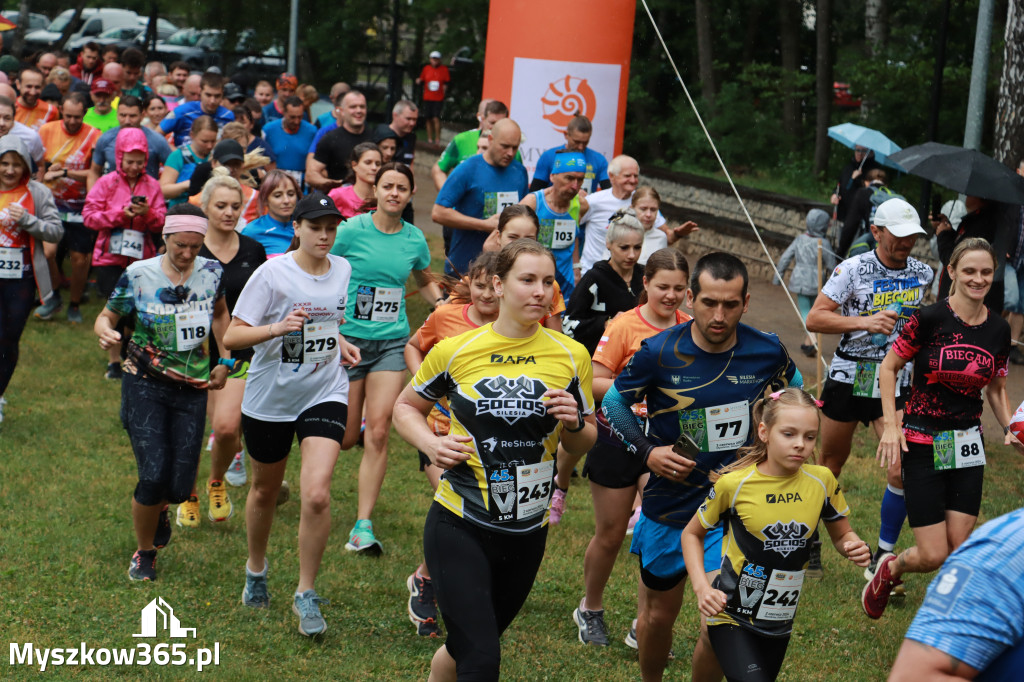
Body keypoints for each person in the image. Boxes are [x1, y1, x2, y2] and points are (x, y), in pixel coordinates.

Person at [393, 238, 597, 681]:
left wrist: (576, 426)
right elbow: (405, 408)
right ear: (499, 285)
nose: (540, 291)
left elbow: (584, 442)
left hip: (526, 531)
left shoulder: (570, 355)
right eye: (527, 280)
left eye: (548, 282)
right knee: (482, 659)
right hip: (459, 521)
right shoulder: (457, 350)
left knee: (466, 645)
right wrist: (430, 444)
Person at [602, 252, 800, 682]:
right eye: (709, 302)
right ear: (690, 298)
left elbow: (793, 395)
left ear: (746, 302)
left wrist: (776, 433)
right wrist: (647, 452)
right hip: (671, 501)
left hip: (734, 506)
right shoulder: (659, 351)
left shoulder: (766, 350)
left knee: (721, 618)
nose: (719, 314)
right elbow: (614, 402)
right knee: (657, 618)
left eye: (730, 304)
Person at [223, 192, 360, 636]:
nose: (324, 235)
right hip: (271, 398)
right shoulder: (272, 273)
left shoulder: (342, 269)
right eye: (316, 227)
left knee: (317, 494)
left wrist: (339, 342)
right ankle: (256, 570)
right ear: (296, 228)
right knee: (264, 491)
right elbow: (233, 337)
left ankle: (305, 592)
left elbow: (328, 320)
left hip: (324, 388)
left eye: (331, 227)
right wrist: (277, 329)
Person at [864, 237, 1020, 619]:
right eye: (969, 271)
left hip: (967, 442)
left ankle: (947, 615)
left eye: (986, 272)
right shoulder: (929, 319)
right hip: (921, 440)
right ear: (952, 272)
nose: (978, 279)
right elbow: (888, 368)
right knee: (933, 554)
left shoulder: (999, 330)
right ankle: (890, 568)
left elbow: (997, 387)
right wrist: (890, 426)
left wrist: (1008, 427)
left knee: (958, 546)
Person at [682, 388, 870, 681]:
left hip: (779, 620)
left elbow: (842, 534)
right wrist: (702, 589)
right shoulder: (735, 485)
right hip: (730, 613)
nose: (800, 445)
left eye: (809, 437)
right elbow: (691, 534)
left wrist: (852, 545)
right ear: (764, 432)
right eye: (789, 434)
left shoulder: (821, 481)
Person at [93, 205, 231, 582]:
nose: (187, 253)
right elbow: (107, 315)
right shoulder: (138, 275)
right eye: (180, 245)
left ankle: (162, 508)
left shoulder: (213, 272)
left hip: (193, 386)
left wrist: (227, 358)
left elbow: (220, 315)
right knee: (153, 475)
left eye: (195, 246)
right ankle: (145, 553)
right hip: (144, 381)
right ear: (165, 239)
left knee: (180, 484)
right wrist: (105, 331)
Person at [806, 198, 933, 580]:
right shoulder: (852, 269)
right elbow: (815, 317)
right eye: (898, 235)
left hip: (895, 379)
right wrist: (865, 320)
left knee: (902, 469)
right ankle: (809, 540)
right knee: (830, 465)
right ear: (876, 231)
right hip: (849, 377)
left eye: (912, 236)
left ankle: (882, 556)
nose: (906, 242)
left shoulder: (924, 272)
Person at [571, 248, 691, 647]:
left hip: (665, 444)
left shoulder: (692, 327)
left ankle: (647, 624)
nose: (670, 296)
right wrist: (642, 389)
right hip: (618, 436)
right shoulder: (624, 325)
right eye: (662, 287)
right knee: (609, 534)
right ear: (646, 284)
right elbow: (596, 379)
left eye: (678, 288)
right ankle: (590, 607)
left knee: (657, 530)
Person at [330, 162, 442, 554]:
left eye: (401, 188)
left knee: (378, 431)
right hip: (348, 342)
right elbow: (321, 266)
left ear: (411, 194)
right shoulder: (349, 231)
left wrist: (443, 306)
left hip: (391, 344)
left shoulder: (414, 239)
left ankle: (363, 524)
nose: (394, 193)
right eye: (387, 186)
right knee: (344, 437)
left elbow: (424, 279)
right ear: (374, 190)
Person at [402, 250, 500, 638]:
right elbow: (413, 346)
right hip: (440, 433)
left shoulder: (520, 328)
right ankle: (429, 584)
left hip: (492, 441)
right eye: (479, 286)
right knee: (455, 508)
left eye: (494, 287)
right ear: (469, 285)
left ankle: (429, 575)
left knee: (485, 517)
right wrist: (427, 385)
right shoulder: (445, 317)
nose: (487, 296)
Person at [181, 174, 267, 525]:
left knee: (228, 427)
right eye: (221, 206)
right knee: (188, 430)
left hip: (238, 351)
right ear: (205, 208)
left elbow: (267, 299)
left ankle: (216, 481)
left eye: (235, 206)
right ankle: (186, 491)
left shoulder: (252, 250)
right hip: (191, 350)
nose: (229, 212)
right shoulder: (189, 248)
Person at [888, 506, 1024, 680]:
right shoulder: (1005, 555)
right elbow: (912, 677)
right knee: (933, 554)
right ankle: (890, 566)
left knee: (954, 544)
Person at [83, 126, 167, 379]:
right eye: (129, 161)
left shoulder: (152, 185)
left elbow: (162, 220)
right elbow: (89, 217)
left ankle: (131, 349)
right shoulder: (106, 183)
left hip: (143, 258)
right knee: (115, 308)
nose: (134, 167)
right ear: (119, 157)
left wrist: (147, 214)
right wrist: (119, 215)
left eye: (139, 162)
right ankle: (113, 362)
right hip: (110, 257)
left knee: (138, 311)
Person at [0, 135, 62, 424]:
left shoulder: (36, 192)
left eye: (16, 164)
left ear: (25, 165)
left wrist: (28, 221)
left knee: (9, 340)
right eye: (4, 164)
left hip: (21, 280)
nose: (10, 170)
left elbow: (55, 232)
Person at [34, 92, 101, 323]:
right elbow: (38, 164)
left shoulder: (94, 135)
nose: (73, 121)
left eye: (78, 117)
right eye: (69, 116)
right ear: (61, 110)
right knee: (48, 253)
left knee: (79, 259)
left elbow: (95, 173)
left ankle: (74, 304)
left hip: (80, 205)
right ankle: (53, 296)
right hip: (51, 203)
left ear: (85, 114)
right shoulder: (46, 130)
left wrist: (64, 172)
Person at [432, 118, 529, 276]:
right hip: (465, 267)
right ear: (490, 140)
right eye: (504, 146)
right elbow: (438, 212)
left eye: (515, 147)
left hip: (503, 269)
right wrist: (484, 224)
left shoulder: (519, 172)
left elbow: (523, 214)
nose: (510, 153)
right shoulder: (467, 169)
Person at [562, 207, 645, 355]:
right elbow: (568, 324)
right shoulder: (594, 278)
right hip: (597, 358)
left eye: (637, 248)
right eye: (624, 248)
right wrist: (606, 323)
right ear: (608, 243)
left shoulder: (645, 276)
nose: (632, 255)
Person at [579, 157, 669, 275]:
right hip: (593, 271)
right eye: (627, 176)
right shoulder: (593, 201)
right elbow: (574, 229)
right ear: (611, 176)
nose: (632, 180)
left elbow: (664, 235)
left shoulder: (642, 200)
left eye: (635, 176)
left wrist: (678, 233)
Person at [520, 150, 590, 298]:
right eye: (569, 178)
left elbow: (574, 235)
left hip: (565, 280)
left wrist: (576, 268)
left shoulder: (581, 205)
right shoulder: (532, 203)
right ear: (552, 176)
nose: (575, 186)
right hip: (534, 278)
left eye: (580, 180)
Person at [935, 196, 1018, 314]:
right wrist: (948, 232)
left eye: (970, 194)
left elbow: (956, 260)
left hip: (967, 303)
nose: (966, 196)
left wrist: (943, 235)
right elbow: (961, 246)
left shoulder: (984, 222)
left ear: (980, 196)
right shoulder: (984, 218)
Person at [772, 208, 836, 356]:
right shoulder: (824, 243)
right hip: (818, 282)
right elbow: (832, 266)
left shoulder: (799, 239)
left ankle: (813, 341)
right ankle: (808, 343)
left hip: (800, 281)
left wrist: (778, 276)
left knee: (806, 312)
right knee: (815, 311)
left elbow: (785, 258)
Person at [87, 96, 173, 187]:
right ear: (117, 115)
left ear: (142, 115)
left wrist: (156, 190)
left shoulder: (157, 140)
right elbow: (94, 172)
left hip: (146, 197)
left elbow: (173, 169)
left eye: (132, 116)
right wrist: (92, 199)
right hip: (114, 196)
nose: (127, 121)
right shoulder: (106, 138)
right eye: (123, 115)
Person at [430, 99, 510, 192]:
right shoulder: (462, 140)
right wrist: (448, 197)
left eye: (500, 124)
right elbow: (438, 169)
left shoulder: (511, 150)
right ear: (482, 119)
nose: (496, 128)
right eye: (492, 123)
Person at [306, 90, 370, 192]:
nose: (358, 110)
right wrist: (333, 186)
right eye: (353, 107)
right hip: (339, 203)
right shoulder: (330, 138)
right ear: (342, 111)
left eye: (362, 107)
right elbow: (310, 175)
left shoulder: (375, 137)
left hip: (369, 202)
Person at [531, 115, 611, 196]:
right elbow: (535, 193)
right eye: (576, 142)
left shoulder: (599, 160)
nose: (581, 147)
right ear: (566, 134)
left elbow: (609, 193)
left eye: (585, 142)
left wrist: (589, 198)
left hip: (585, 207)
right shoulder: (549, 157)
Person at [187, 139, 260, 226]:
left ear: (243, 165)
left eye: (236, 164)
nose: (231, 169)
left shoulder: (256, 197)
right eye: (226, 164)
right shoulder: (197, 201)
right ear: (213, 163)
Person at [838, 168, 901, 258]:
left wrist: (840, 252)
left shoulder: (863, 193)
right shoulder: (893, 197)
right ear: (886, 185)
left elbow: (850, 226)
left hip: (869, 246)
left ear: (866, 182)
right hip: (891, 250)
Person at [160, 72, 233, 148]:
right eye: (208, 95)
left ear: (222, 95)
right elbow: (156, 135)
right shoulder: (183, 111)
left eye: (217, 96)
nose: (212, 101)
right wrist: (176, 154)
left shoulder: (228, 116)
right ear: (200, 92)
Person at [160, 116, 218, 207]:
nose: (209, 146)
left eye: (213, 141)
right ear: (192, 135)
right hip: (180, 211)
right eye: (204, 141)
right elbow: (163, 190)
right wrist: (190, 184)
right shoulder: (178, 156)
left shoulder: (216, 157)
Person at [240, 170, 299, 256]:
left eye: (291, 194)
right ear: (265, 200)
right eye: (277, 195)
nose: (286, 200)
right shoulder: (252, 231)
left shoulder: (306, 227)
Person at [262, 95, 316, 187]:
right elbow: (263, 160)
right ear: (284, 112)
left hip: (302, 185)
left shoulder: (312, 131)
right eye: (292, 117)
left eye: (300, 117)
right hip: (276, 182)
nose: (296, 121)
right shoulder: (268, 130)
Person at [327, 141, 380, 219]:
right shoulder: (337, 195)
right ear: (354, 165)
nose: (374, 168)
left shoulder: (384, 197)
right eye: (368, 162)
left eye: (378, 164)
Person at [830, 145, 879, 223]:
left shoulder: (874, 172)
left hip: (859, 218)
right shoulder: (848, 167)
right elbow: (840, 185)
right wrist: (835, 194)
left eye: (863, 151)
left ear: (870, 153)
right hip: (842, 214)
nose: (859, 153)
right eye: (857, 150)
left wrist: (857, 179)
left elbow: (870, 192)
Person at [416, 51, 449, 145]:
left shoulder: (444, 69)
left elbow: (446, 83)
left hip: (438, 98)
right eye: (433, 59)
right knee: (428, 118)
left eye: (436, 59)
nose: (434, 61)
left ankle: (437, 138)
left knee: (436, 118)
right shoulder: (426, 69)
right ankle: (430, 138)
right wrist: (419, 81)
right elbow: (422, 79)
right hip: (428, 97)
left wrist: (444, 92)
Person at [375, 100, 418, 167]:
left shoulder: (411, 137)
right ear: (395, 115)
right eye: (408, 119)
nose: (412, 123)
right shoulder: (381, 133)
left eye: (414, 119)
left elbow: (410, 164)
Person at [15, 67, 58, 131]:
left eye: (37, 87)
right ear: (18, 84)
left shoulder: (51, 111)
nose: (33, 92)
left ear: (43, 87)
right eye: (28, 86)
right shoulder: (8, 108)